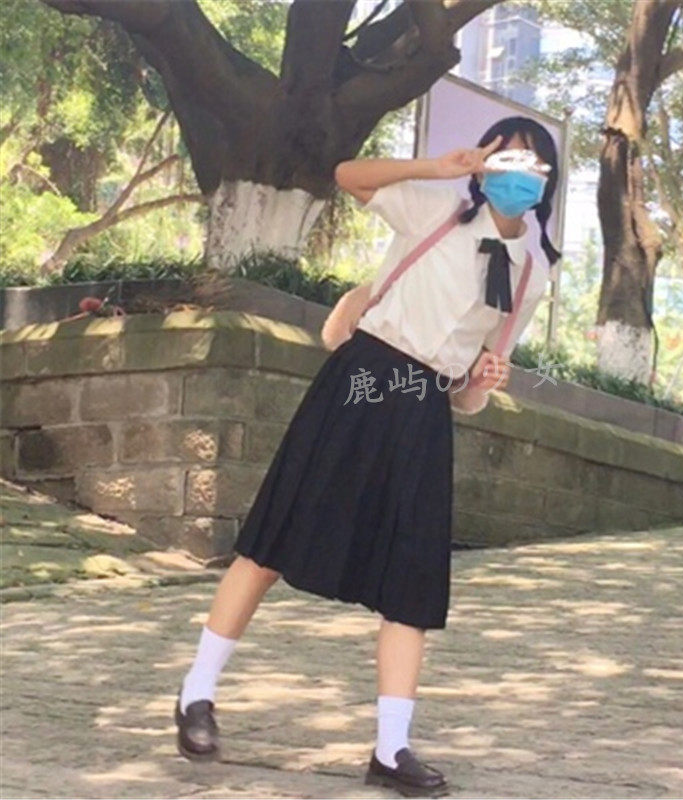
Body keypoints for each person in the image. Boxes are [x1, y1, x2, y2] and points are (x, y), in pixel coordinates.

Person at [173, 115, 561, 798]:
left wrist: (483, 380)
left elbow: (469, 393)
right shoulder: (436, 208)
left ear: (547, 183)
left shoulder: (532, 274)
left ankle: (391, 747)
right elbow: (347, 176)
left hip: (426, 407)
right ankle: (196, 694)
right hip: (365, 377)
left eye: (531, 164)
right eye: (504, 158)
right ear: (482, 163)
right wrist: (436, 167)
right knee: (272, 540)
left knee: (412, 578)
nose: (515, 173)